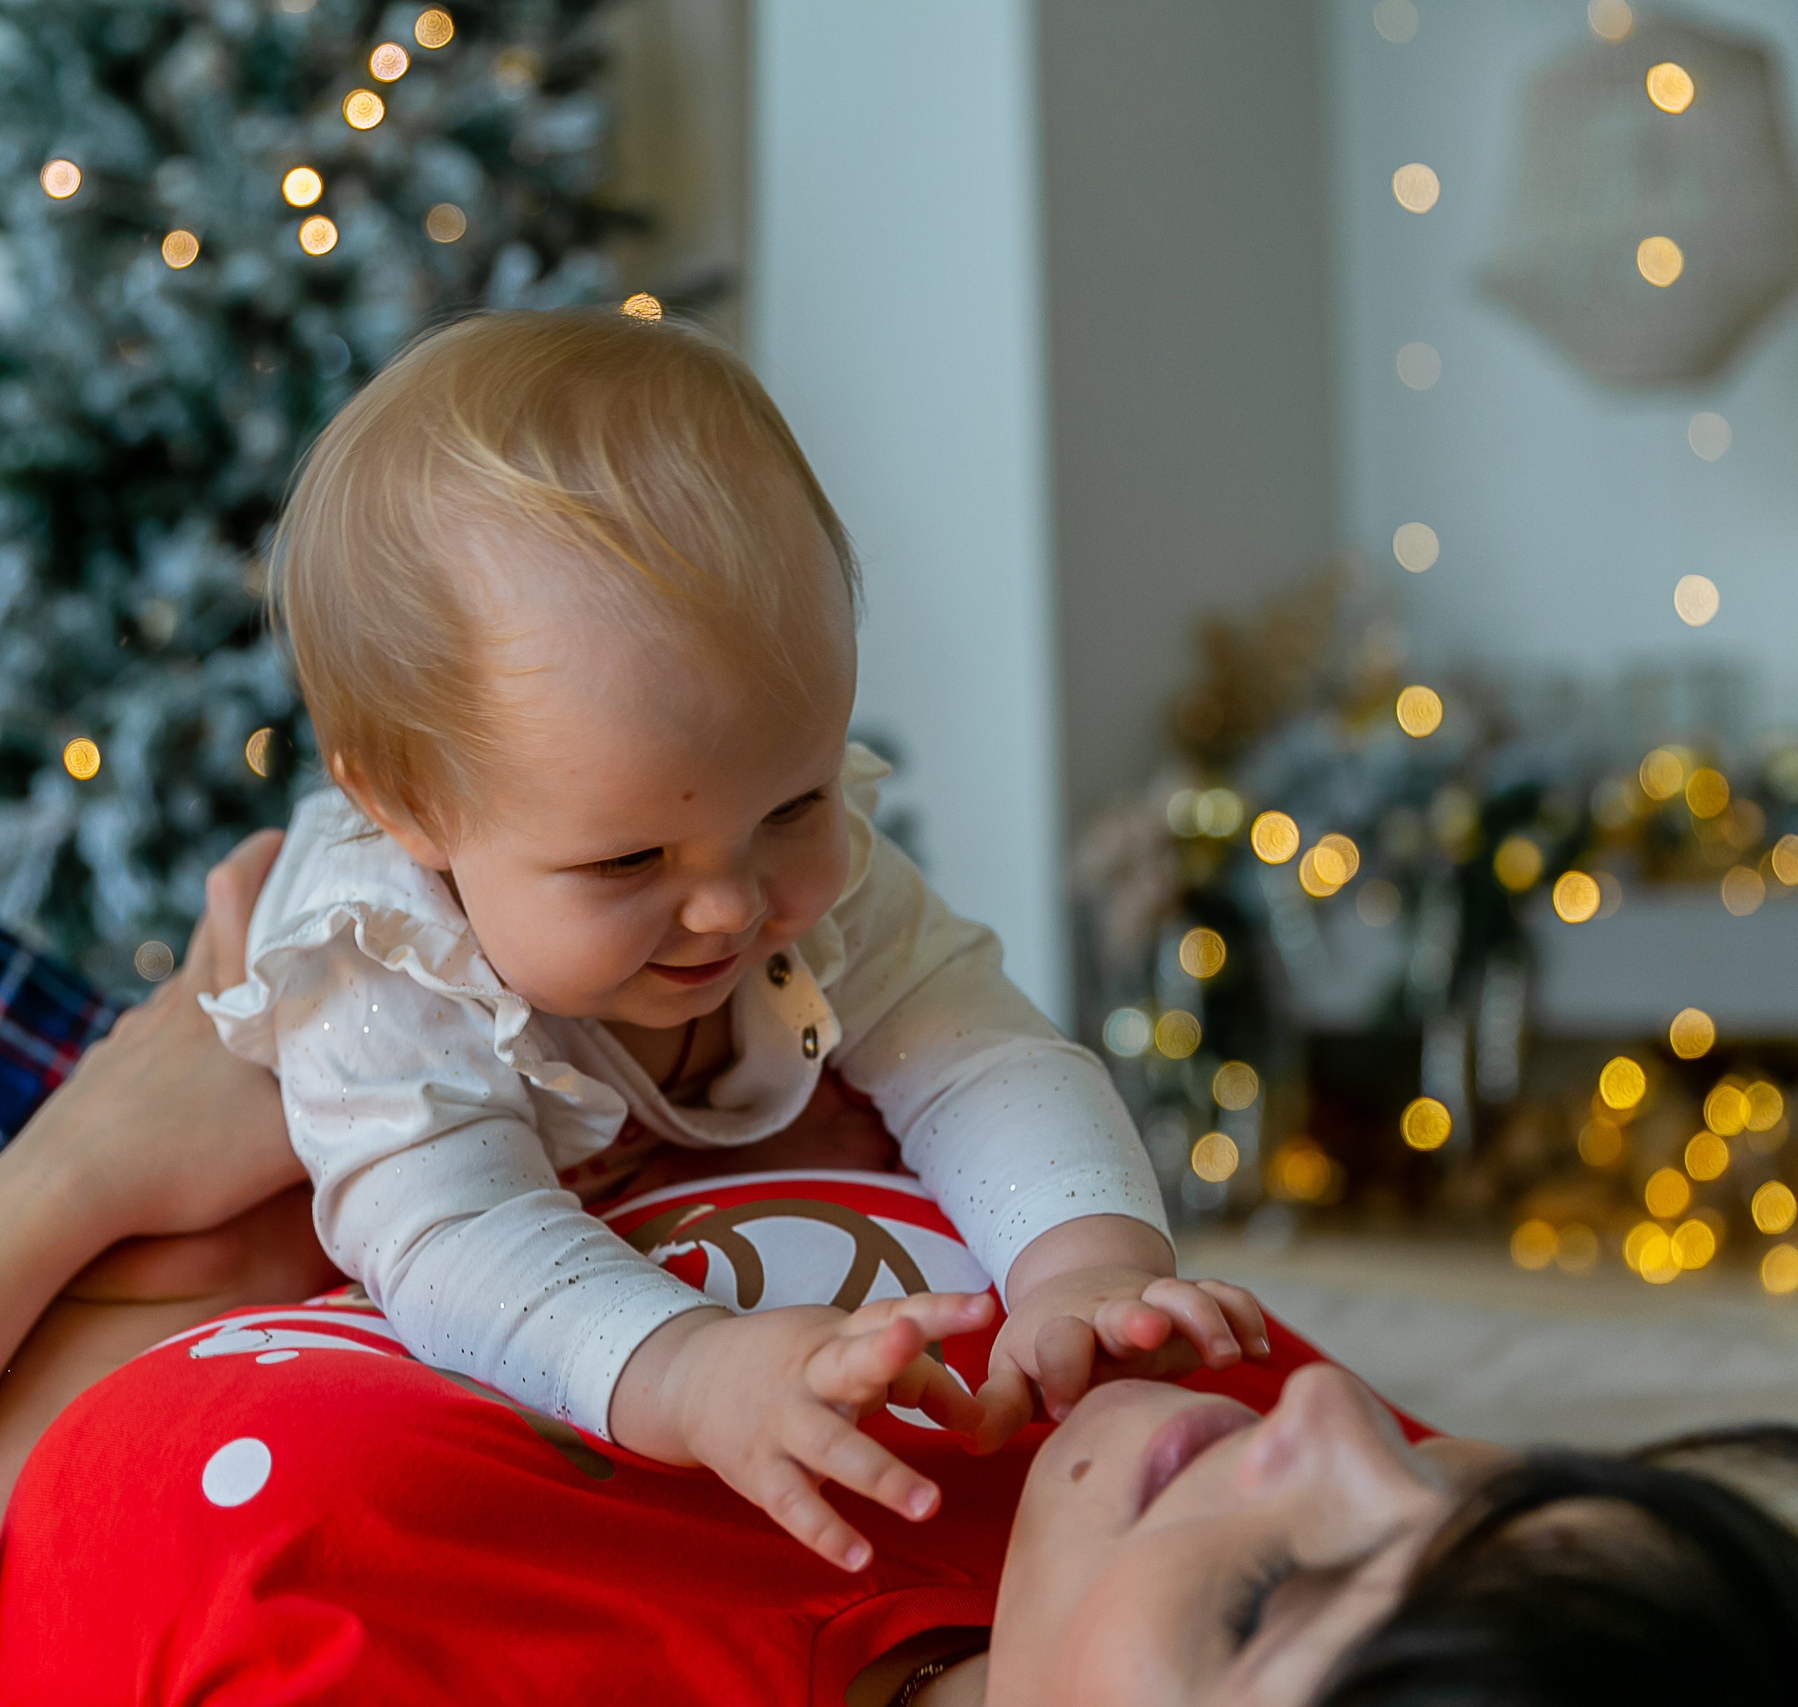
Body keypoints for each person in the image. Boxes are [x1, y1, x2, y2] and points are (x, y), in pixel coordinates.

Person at [0, 700, 1798, 1707]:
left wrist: (63, 1219)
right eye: (1463, 1471)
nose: (1313, 1436)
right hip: (243, 1115)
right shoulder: (1185, 1406)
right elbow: (935, 1027)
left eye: (1268, 1600)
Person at [190, 311, 1266, 1574]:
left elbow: (980, 1057)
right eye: (626, 862)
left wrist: (1085, 1268)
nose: (729, 905)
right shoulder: (375, 960)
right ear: (410, 810)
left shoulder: (787, 849)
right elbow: (449, 1234)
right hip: (331, 1251)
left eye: (793, 806)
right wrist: (687, 1367)